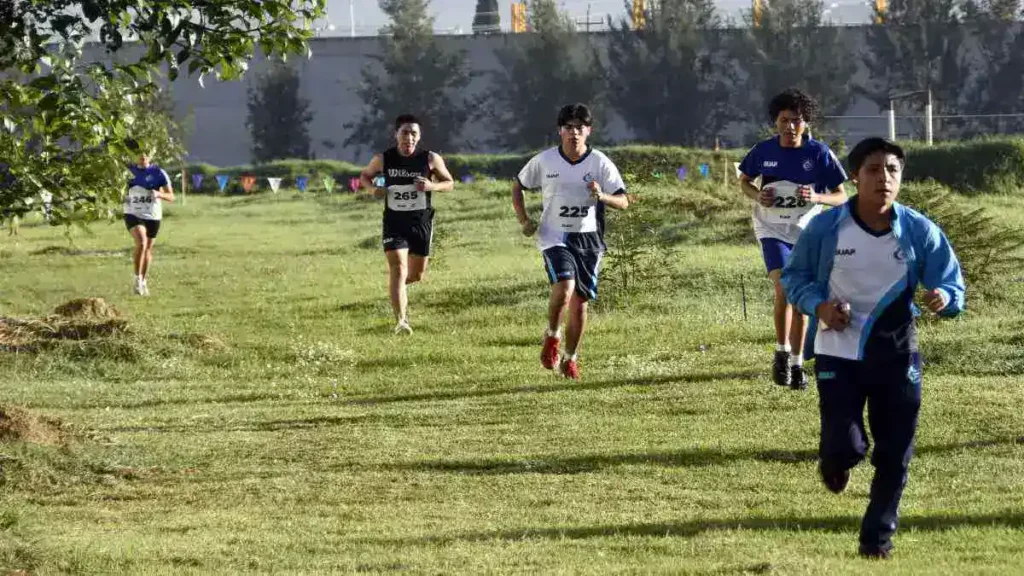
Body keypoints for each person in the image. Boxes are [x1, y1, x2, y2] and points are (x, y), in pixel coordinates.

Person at [781, 137, 965, 559]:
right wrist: (820, 307)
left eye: (892, 171)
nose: (884, 178)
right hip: (837, 350)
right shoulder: (826, 228)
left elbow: (952, 283)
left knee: (895, 452)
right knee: (846, 447)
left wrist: (944, 298)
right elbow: (795, 279)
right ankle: (835, 461)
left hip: (897, 351)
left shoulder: (918, 229)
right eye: (873, 170)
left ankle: (876, 539)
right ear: (855, 176)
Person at [738, 88, 849, 390]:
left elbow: (842, 196)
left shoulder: (819, 154)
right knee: (783, 288)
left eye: (796, 121)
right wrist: (757, 195)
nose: (790, 127)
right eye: (784, 120)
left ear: (805, 123)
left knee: (799, 298)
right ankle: (781, 352)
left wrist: (816, 196)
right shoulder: (763, 151)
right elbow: (744, 181)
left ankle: (798, 365)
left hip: (806, 234)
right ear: (775, 121)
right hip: (771, 229)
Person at [512, 103, 628, 380]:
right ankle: (552, 336)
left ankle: (570, 357)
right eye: (568, 128)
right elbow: (518, 185)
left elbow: (623, 201)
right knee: (564, 287)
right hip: (554, 236)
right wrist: (524, 220)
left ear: (588, 131)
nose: (574, 133)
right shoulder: (545, 161)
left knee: (580, 303)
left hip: (589, 239)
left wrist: (602, 197)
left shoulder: (599, 162)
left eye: (580, 128)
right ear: (559, 131)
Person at [358, 114, 454, 335]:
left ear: (419, 137)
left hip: (421, 222)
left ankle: (396, 291)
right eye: (405, 133)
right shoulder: (383, 159)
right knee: (398, 269)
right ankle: (401, 321)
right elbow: (364, 176)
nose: (409, 138)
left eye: (414, 134)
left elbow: (450, 183)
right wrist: (373, 189)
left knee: (416, 275)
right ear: (396, 135)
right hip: (394, 222)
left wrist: (432, 186)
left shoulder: (430, 159)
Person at [123, 149, 174, 296]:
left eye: (146, 153)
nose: (143, 156)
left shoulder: (159, 173)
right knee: (141, 242)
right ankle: (137, 279)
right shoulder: (128, 172)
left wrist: (159, 194)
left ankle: (143, 280)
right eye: (139, 153)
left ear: (151, 155)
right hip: (133, 212)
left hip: (152, 215)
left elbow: (171, 196)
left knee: (147, 249)